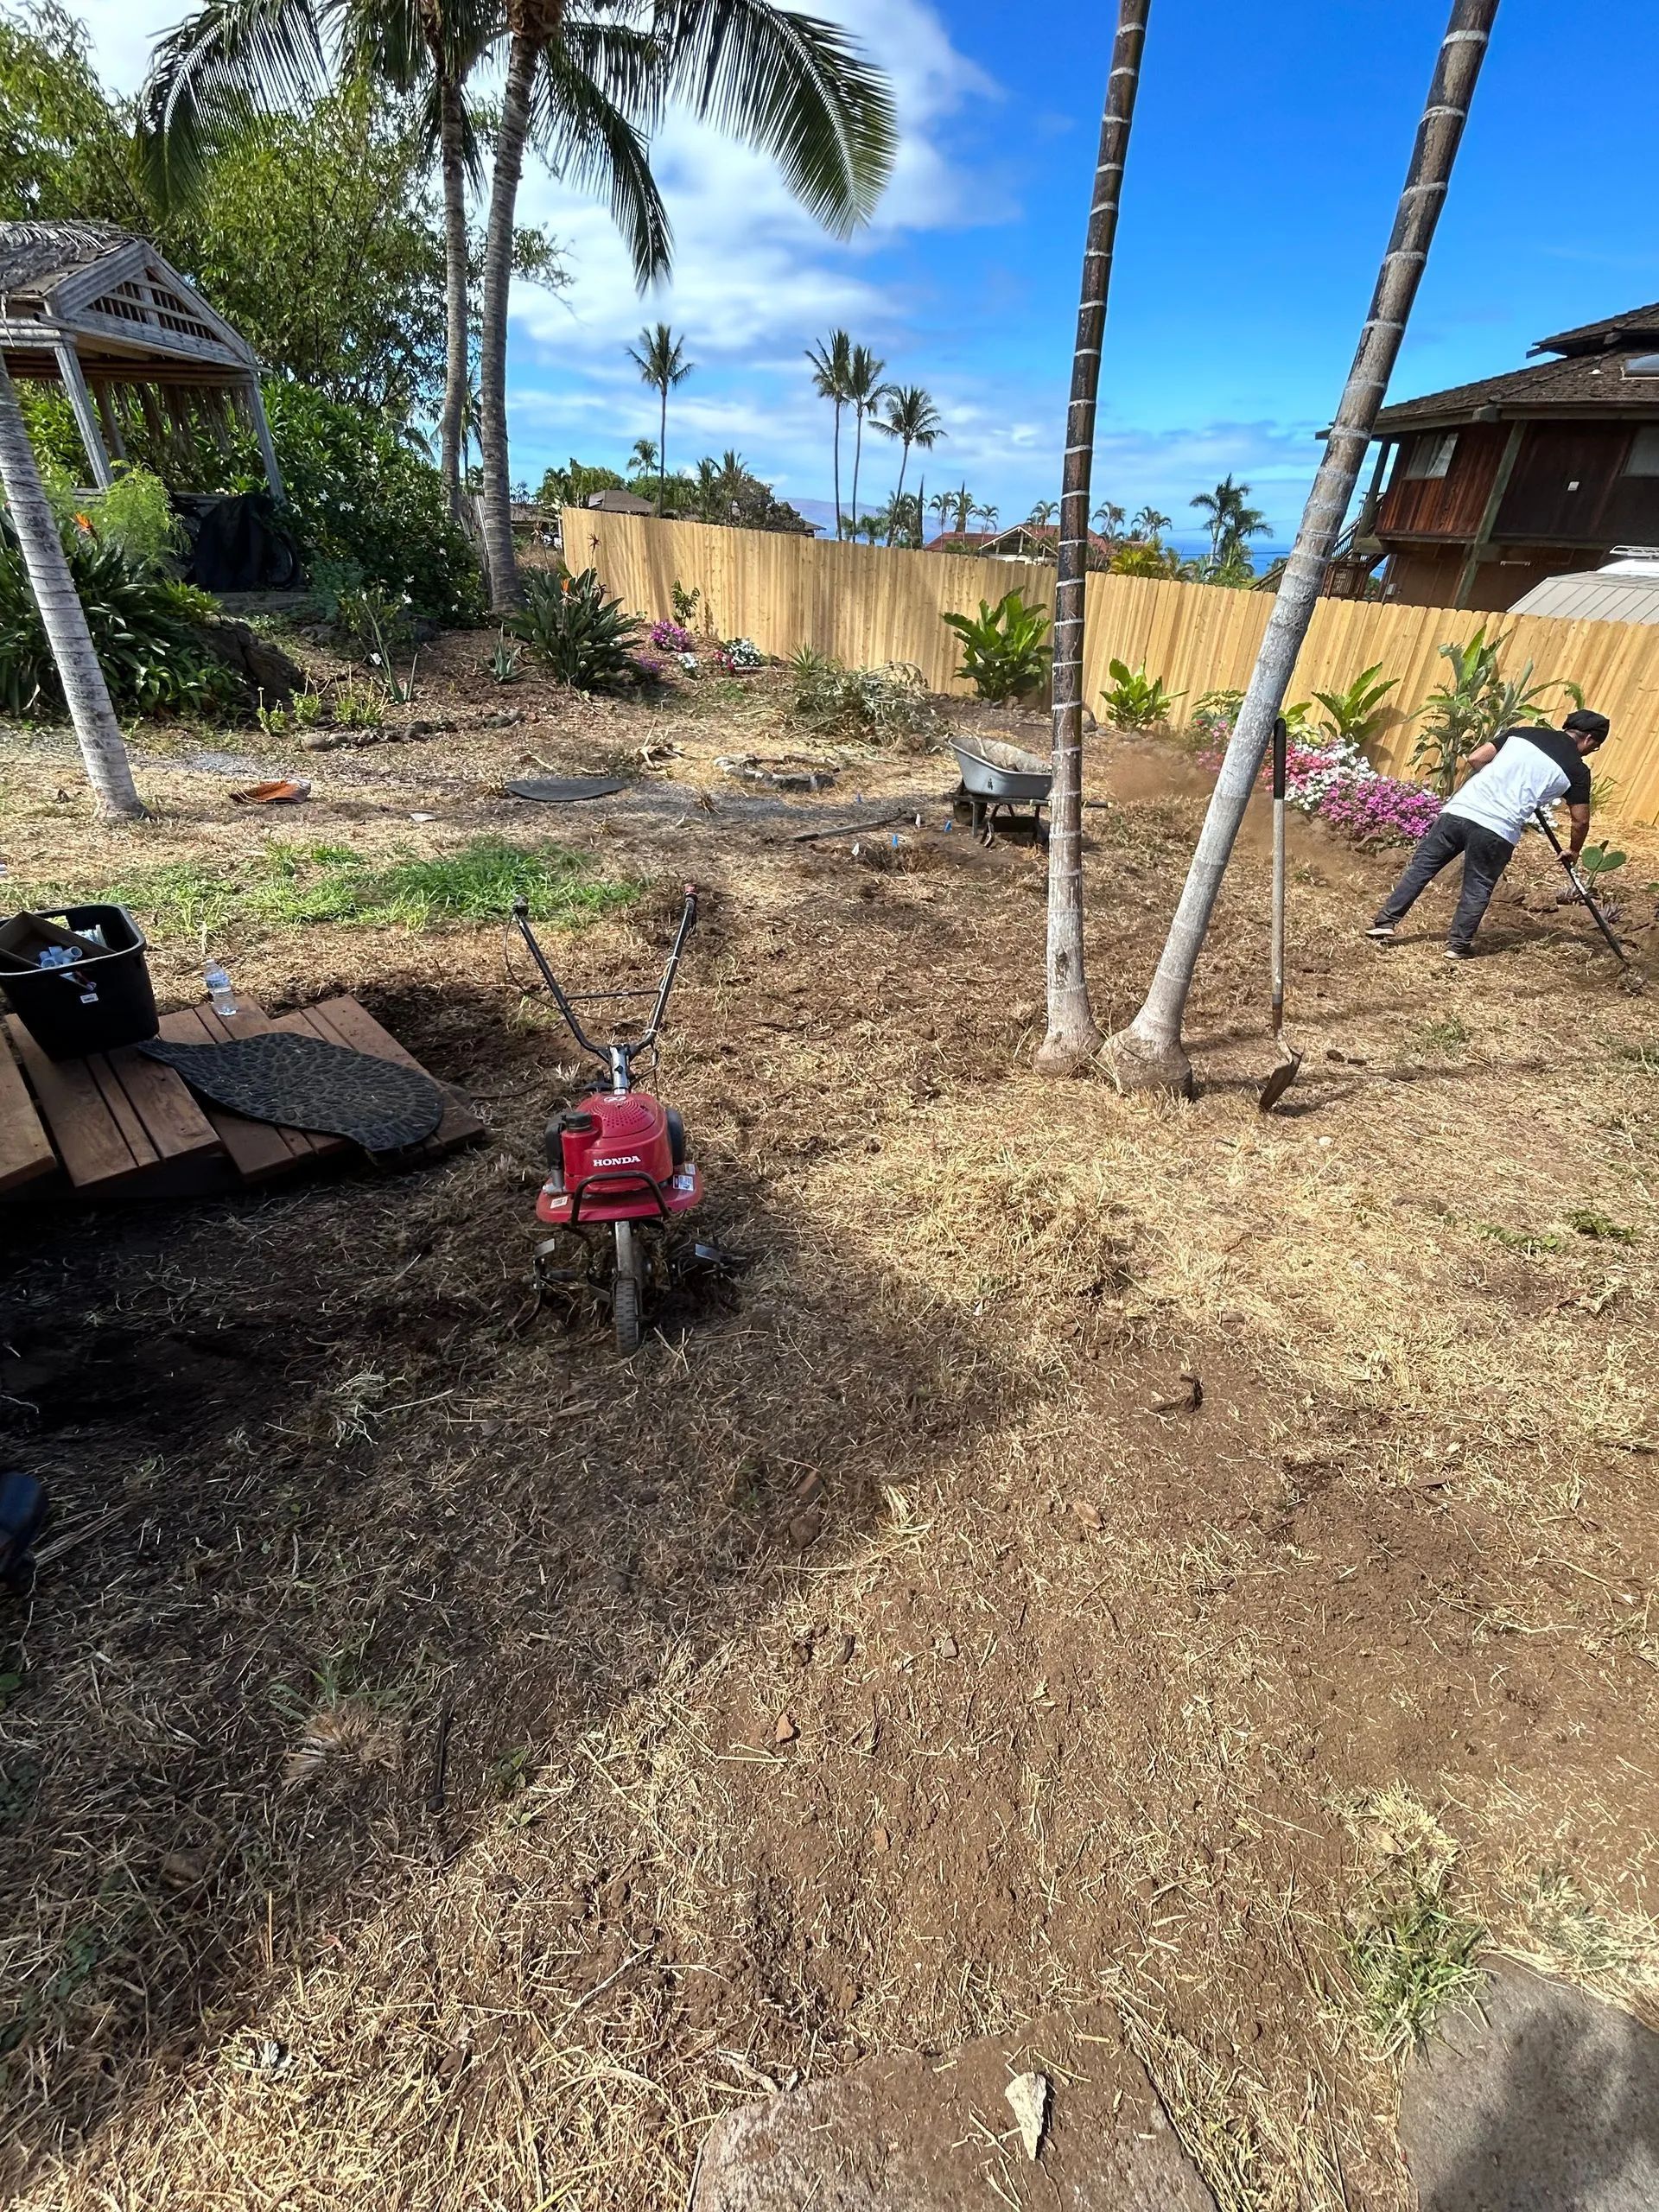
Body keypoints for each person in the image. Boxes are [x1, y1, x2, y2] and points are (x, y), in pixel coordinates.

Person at [1366, 707, 1610, 959]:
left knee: (1421, 869)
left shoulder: (1522, 733)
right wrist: (1574, 850)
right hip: (1497, 829)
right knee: (1478, 886)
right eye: (1594, 748)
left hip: (1460, 811)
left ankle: (1385, 923)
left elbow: (1476, 758)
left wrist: (1500, 778)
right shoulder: (1577, 770)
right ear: (1590, 739)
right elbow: (1580, 820)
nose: (1591, 752)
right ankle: (1457, 946)